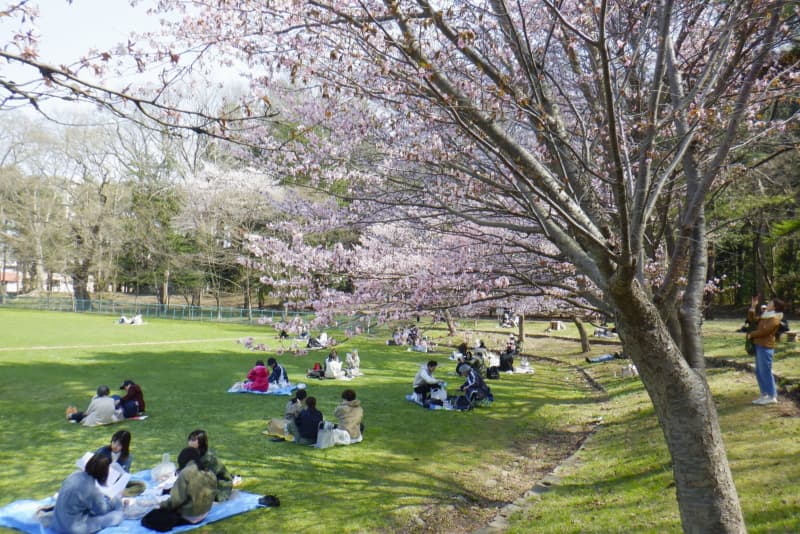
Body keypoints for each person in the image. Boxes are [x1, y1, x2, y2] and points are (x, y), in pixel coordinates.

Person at [141, 447, 216, 532]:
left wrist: (161, 505)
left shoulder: (186, 473)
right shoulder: (210, 472)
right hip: (205, 513)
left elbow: (176, 501)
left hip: (191, 516)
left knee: (150, 517)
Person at [44, 453, 124, 533]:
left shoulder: (73, 475)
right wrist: (116, 500)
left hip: (57, 522)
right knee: (117, 516)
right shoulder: (92, 489)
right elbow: (102, 511)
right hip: (71, 529)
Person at [747, 296, 785, 405]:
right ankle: (765, 394)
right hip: (759, 345)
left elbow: (765, 331)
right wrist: (753, 307)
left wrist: (751, 334)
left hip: (766, 347)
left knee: (766, 371)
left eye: (770, 303)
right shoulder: (765, 316)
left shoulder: (775, 318)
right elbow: (751, 320)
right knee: (759, 371)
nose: (767, 304)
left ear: (775, 306)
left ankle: (772, 396)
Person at [187, 429, 233, 502]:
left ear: (201, 444)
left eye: (193, 440)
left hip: (220, 487)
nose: (190, 442)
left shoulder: (208, 460)